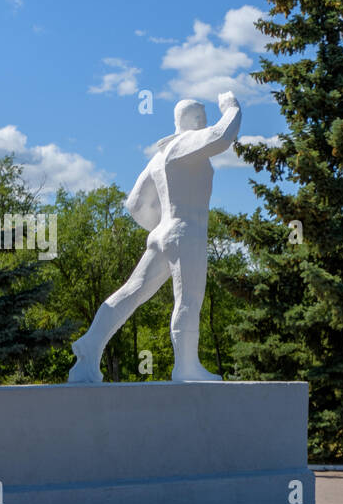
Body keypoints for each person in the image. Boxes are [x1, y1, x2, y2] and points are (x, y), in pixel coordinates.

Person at [68, 90, 241, 383]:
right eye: (204, 117)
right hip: (186, 232)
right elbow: (223, 136)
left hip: (165, 232)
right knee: (189, 298)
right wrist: (232, 107)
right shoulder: (186, 142)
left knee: (132, 292)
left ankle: (90, 345)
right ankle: (186, 367)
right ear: (196, 119)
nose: (206, 120)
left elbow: (135, 203)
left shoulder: (159, 156)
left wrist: (162, 227)